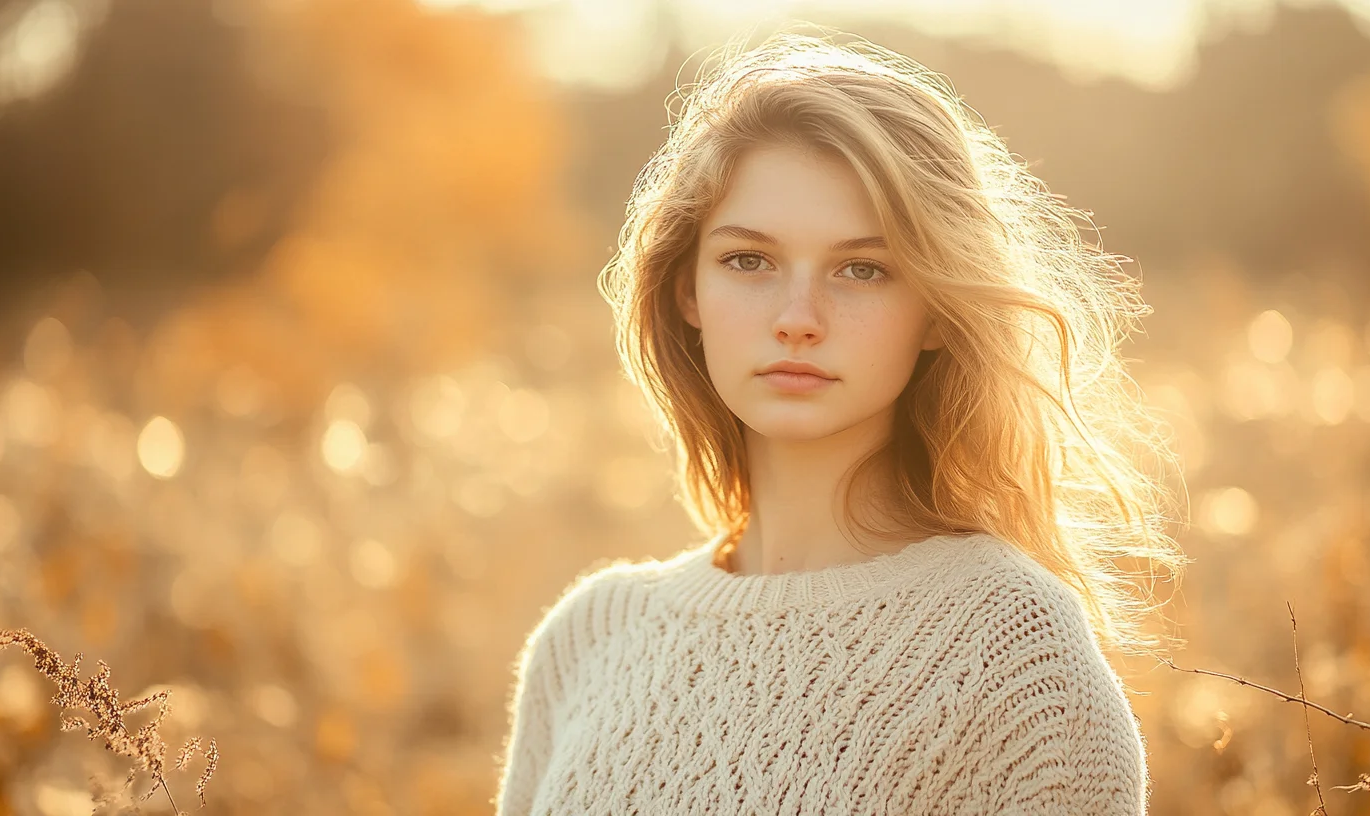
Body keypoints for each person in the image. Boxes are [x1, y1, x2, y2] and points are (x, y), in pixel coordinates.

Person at [494, 23, 1188, 816]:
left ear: (935, 308)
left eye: (863, 269)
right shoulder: (589, 638)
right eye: (747, 260)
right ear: (687, 292)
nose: (797, 317)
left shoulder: (1015, 653)